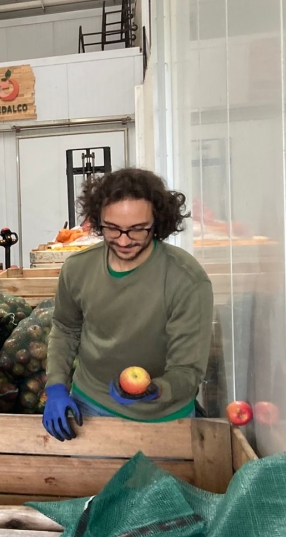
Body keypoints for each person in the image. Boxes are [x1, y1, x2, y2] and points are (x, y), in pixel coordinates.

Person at [42, 168, 214, 440]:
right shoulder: (78, 269)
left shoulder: (186, 280)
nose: (123, 240)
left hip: (163, 418)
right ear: (99, 220)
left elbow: (188, 370)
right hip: (90, 405)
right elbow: (65, 328)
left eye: (137, 230)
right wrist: (56, 387)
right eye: (112, 228)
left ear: (157, 222)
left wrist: (155, 390)